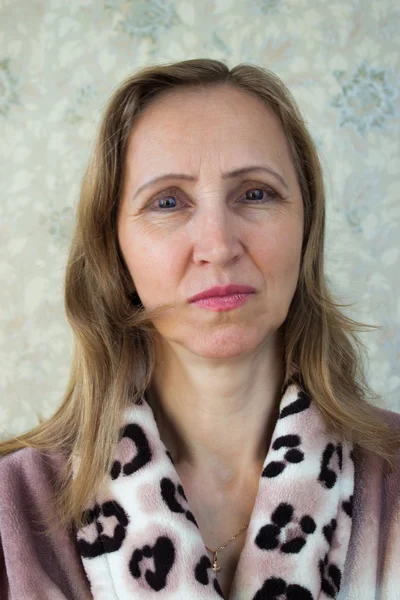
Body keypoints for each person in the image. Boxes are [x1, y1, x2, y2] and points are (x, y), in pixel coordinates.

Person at [0, 58, 399, 600]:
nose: (218, 245)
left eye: (255, 193)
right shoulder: (12, 509)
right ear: (115, 251)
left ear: (306, 227)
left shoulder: (390, 481)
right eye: (167, 201)